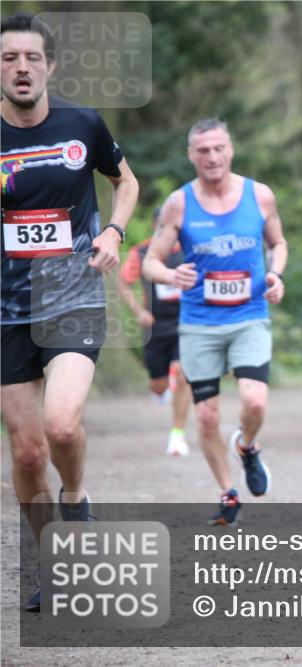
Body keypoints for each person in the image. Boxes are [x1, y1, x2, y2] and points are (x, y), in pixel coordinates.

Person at [1, 12, 139, 612]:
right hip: (6, 311)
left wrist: (112, 232)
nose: (22, 68)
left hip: (73, 297)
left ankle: (77, 496)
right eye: (9, 59)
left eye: (32, 57)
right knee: (28, 453)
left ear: (50, 65)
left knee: (61, 425)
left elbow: (126, 183)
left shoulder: (82, 124)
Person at [142, 118, 287, 526]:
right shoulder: (179, 204)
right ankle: (228, 493)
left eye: (218, 148)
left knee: (255, 400)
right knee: (205, 416)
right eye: (202, 150)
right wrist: (173, 276)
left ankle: (247, 444)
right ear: (192, 155)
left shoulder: (259, 196)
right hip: (199, 323)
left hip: (249, 317)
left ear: (230, 150)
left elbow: (278, 243)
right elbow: (150, 261)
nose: (211, 157)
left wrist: (276, 275)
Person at [117, 208, 192, 456]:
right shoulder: (141, 252)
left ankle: (177, 436)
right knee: (158, 385)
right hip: (155, 325)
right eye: (161, 225)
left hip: (186, 321)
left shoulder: (189, 249)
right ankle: (162, 389)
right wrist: (139, 311)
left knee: (182, 374)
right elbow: (123, 282)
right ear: (154, 226)